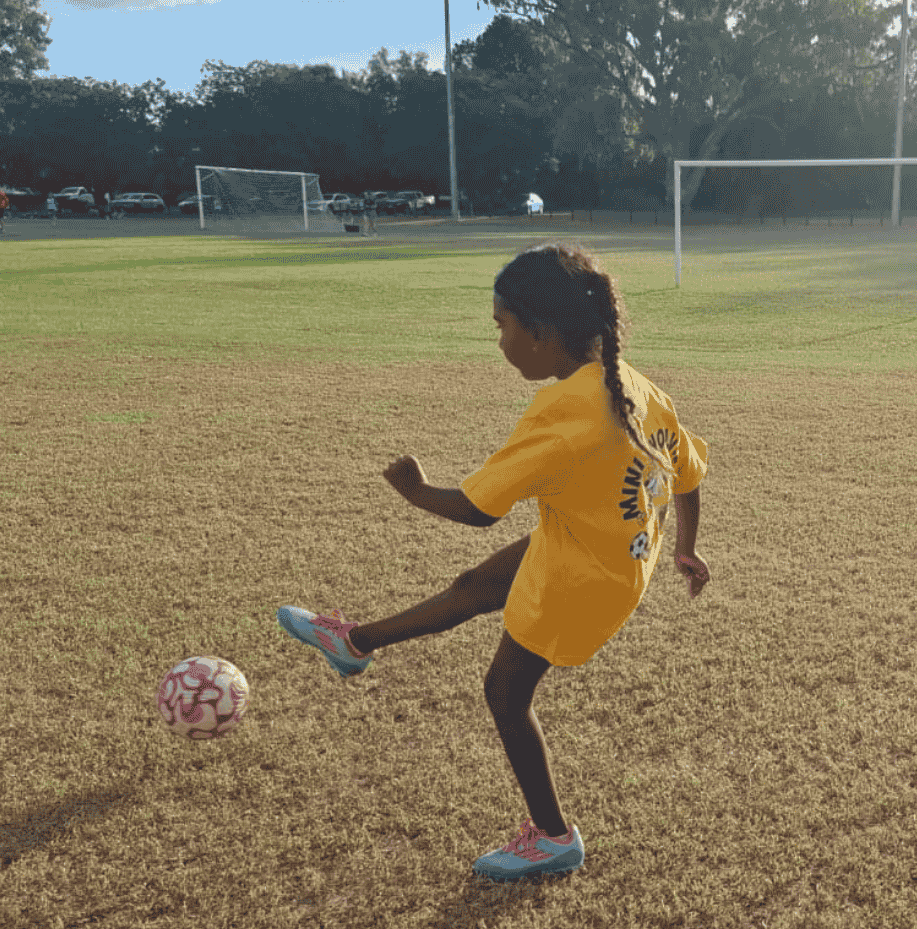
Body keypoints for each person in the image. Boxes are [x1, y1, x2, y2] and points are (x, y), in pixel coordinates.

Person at [276, 243, 711, 881]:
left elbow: (481, 509)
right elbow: (688, 474)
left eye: (503, 325)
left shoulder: (564, 409)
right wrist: (685, 548)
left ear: (546, 331)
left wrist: (416, 492)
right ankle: (354, 644)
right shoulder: (637, 386)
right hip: (603, 551)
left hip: (582, 578)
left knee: (505, 695)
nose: (499, 340)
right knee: (478, 586)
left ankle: (554, 838)